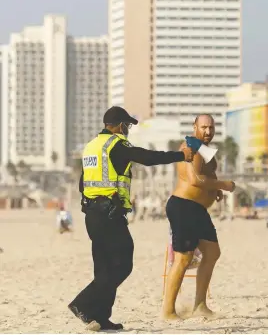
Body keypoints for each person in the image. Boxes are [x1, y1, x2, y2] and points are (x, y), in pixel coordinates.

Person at [68, 106, 194, 331]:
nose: (126, 129)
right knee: (123, 264)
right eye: (126, 125)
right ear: (117, 125)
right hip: (109, 215)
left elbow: (82, 184)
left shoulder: (91, 147)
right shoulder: (116, 145)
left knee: (104, 269)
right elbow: (148, 157)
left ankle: (99, 318)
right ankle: (82, 304)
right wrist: (181, 156)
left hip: (92, 215)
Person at [162, 114, 235, 320]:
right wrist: (224, 185)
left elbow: (207, 176)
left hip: (198, 210)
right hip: (183, 206)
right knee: (183, 258)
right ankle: (167, 311)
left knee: (212, 252)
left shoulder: (205, 150)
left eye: (211, 128)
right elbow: (195, 179)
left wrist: (214, 191)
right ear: (195, 127)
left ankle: (200, 305)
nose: (208, 132)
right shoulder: (191, 147)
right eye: (203, 127)